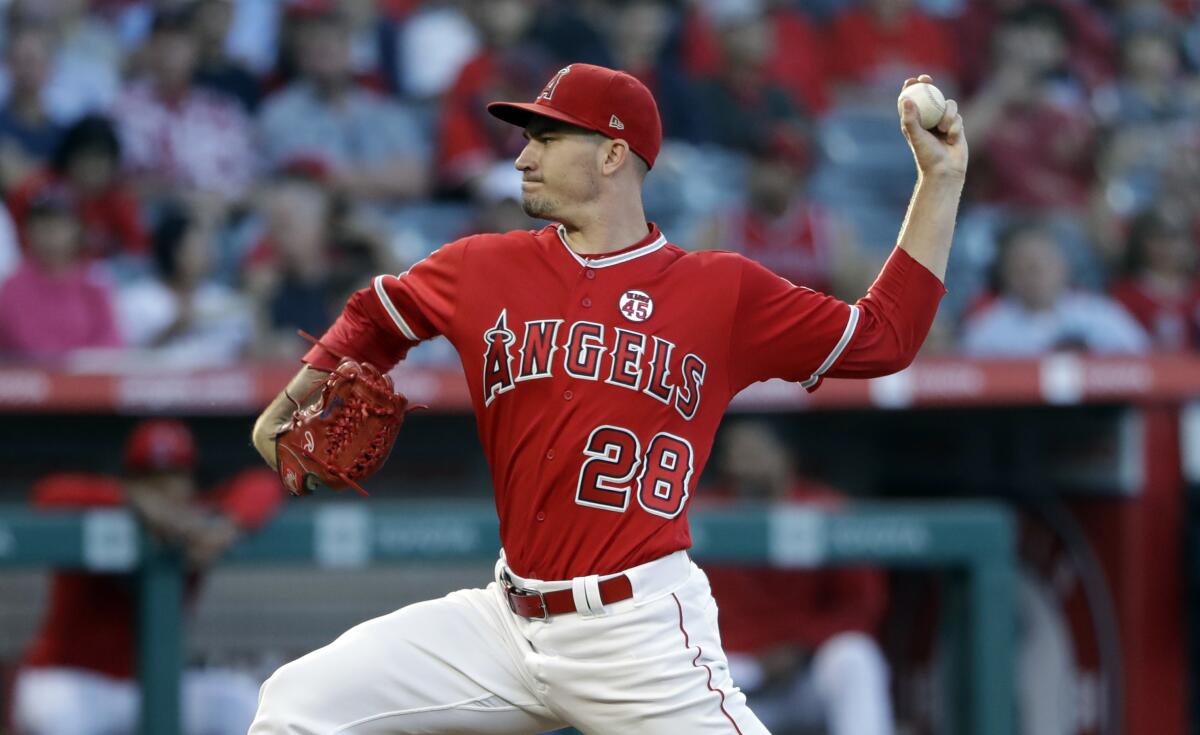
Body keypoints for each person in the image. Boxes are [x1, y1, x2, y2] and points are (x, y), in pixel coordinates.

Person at [247, 63, 966, 733]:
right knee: (294, 708)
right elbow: (378, 314)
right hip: (505, 619)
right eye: (527, 138)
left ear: (613, 154)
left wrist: (940, 180)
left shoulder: (721, 291)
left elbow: (885, 338)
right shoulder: (481, 266)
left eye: (547, 137)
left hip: (637, 630)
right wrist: (292, 398)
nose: (523, 156)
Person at [11, 418, 282, 735]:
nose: (164, 487)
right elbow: (49, 493)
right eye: (150, 476)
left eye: (174, 474)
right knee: (61, 716)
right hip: (75, 679)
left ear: (191, 480)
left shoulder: (195, 518)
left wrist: (231, 524)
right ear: (130, 479)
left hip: (158, 685)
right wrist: (130, 501)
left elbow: (264, 483)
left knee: (245, 704)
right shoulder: (104, 508)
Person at [702, 421, 893, 735]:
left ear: (785, 456)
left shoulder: (825, 508)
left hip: (805, 676)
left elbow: (862, 604)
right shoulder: (705, 511)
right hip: (735, 677)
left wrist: (803, 645)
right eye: (734, 454)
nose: (742, 463)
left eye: (753, 452)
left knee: (855, 657)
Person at [960, 219, 1150, 356]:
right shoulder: (988, 328)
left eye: (1044, 263)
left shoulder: (1100, 313)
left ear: (1063, 266)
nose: (1036, 274)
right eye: (1023, 267)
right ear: (1006, 275)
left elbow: (1144, 359)